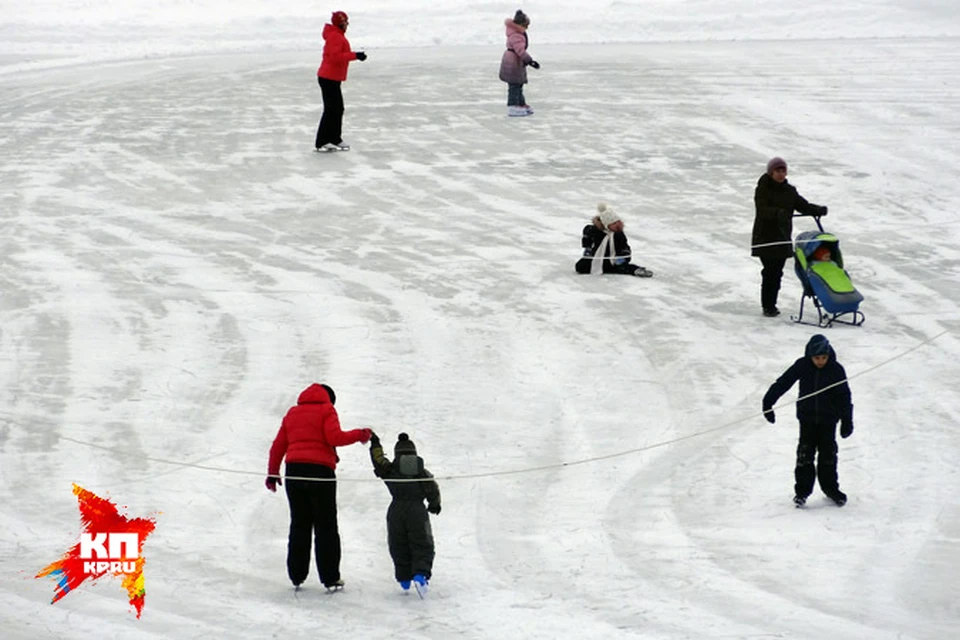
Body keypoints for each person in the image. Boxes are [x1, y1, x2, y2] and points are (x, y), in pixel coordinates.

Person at [266, 383, 372, 590]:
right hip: (320, 473)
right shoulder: (326, 409)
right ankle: (330, 577)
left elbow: (278, 445)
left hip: (294, 473)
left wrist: (272, 473)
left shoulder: (293, 413)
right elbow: (334, 437)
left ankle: (296, 575)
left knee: (299, 524)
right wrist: (360, 434)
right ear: (329, 399)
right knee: (326, 525)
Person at [762, 334, 854, 507]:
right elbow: (784, 382)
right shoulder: (802, 365)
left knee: (828, 456)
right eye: (817, 358)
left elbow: (844, 396)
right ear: (810, 356)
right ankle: (802, 492)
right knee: (805, 455)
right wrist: (768, 401)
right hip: (807, 419)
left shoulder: (836, 370)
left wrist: (846, 420)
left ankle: (831, 489)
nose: (820, 362)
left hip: (828, 420)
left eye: (824, 358)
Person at [751, 157, 828, 317]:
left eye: (783, 171)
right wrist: (778, 213)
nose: (780, 174)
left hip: (782, 237)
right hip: (765, 238)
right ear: (771, 172)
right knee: (770, 271)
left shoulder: (789, 191)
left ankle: (771, 304)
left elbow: (802, 205)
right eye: (777, 171)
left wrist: (817, 210)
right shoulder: (763, 188)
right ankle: (768, 305)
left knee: (777, 272)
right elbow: (762, 209)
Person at [369, 432, 441, 596]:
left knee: (398, 543)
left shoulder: (391, 470)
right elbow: (433, 488)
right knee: (422, 542)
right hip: (417, 510)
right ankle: (420, 575)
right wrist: (434, 504)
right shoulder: (422, 472)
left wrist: (375, 444)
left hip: (396, 510)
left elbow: (379, 461)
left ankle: (404, 578)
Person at [315, 11, 367, 152]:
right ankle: (322, 141)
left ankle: (334, 139)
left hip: (332, 78)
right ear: (340, 23)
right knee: (332, 109)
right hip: (328, 78)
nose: (347, 24)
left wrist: (355, 55)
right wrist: (355, 55)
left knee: (337, 109)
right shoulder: (335, 37)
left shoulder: (337, 35)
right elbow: (335, 57)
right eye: (345, 22)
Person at [575, 203, 654, 277]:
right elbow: (587, 236)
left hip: (612, 259)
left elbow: (624, 246)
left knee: (622, 267)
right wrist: (587, 248)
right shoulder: (595, 231)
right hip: (597, 258)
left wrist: (624, 256)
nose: (617, 225)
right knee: (581, 266)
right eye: (613, 223)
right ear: (606, 225)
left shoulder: (618, 234)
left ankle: (637, 270)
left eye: (617, 222)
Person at [499, 10, 539, 117]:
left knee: (518, 84)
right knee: (514, 85)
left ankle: (520, 103)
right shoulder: (517, 35)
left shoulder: (515, 32)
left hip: (514, 60)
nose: (527, 28)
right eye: (526, 25)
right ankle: (513, 105)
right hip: (513, 62)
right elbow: (520, 51)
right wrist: (530, 61)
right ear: (521, 25)